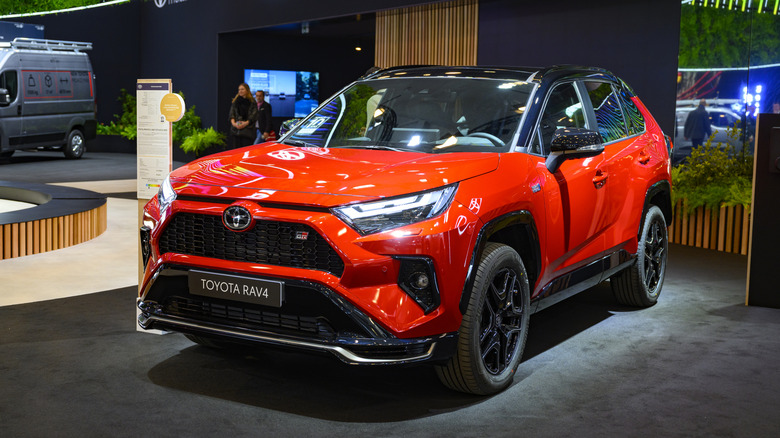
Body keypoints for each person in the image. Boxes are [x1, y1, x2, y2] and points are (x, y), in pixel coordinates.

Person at [229, 83, 257, 149]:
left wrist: (245, 123)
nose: (240, 91)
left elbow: (254, 116)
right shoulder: (235, 101)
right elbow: (232, 114)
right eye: (239, 89)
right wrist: (234, 124)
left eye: (242, 89)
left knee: (246, 150)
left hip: (248, 131)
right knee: (236, 151)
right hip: (236, 131)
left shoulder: (252, 102)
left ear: (247, 90)